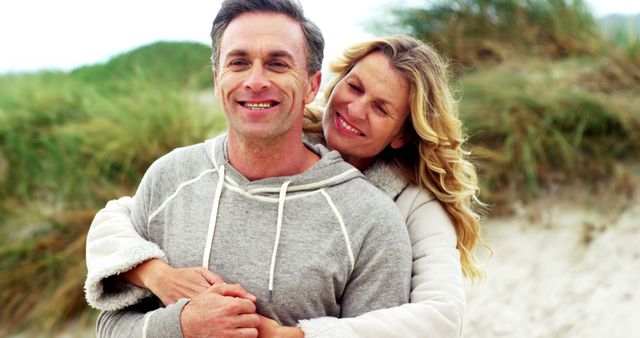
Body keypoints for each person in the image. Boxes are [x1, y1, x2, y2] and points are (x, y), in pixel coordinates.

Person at [87, 0, 414, 337]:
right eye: (239, 62)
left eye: (277, 63)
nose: (256, 81)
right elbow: (110, 326)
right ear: (218, 79)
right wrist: (181, 325)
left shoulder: (371, 221)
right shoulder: (168, 177)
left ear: (311, 85)